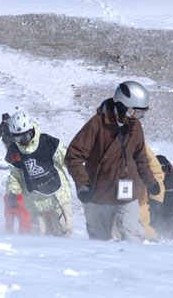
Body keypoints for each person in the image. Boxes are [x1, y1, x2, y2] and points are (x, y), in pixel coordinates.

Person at [65, 81, 160, 242]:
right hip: (98, 194)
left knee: (133, 238)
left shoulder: (135, 128)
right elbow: (73, 156)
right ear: (124, 107)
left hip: (127, 193)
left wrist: (151, 183)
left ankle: (132, 265)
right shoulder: (96, 124)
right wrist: (82, 185)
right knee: (99, 241)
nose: (139, 118)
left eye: (142, 114)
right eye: (136, 113)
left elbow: (141, 159)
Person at [5, 111, 73, 237]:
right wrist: (13, 192)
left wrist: (81, 173)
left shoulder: (47, 142)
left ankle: (67, 255)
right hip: (35, 200)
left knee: (65, 230)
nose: (24, 141)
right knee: (40, 236)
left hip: (58, 194)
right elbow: (15, 175)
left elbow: (69, 158)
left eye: (26, 136)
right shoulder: (14, 152)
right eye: (18, 138)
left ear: (32, 130)